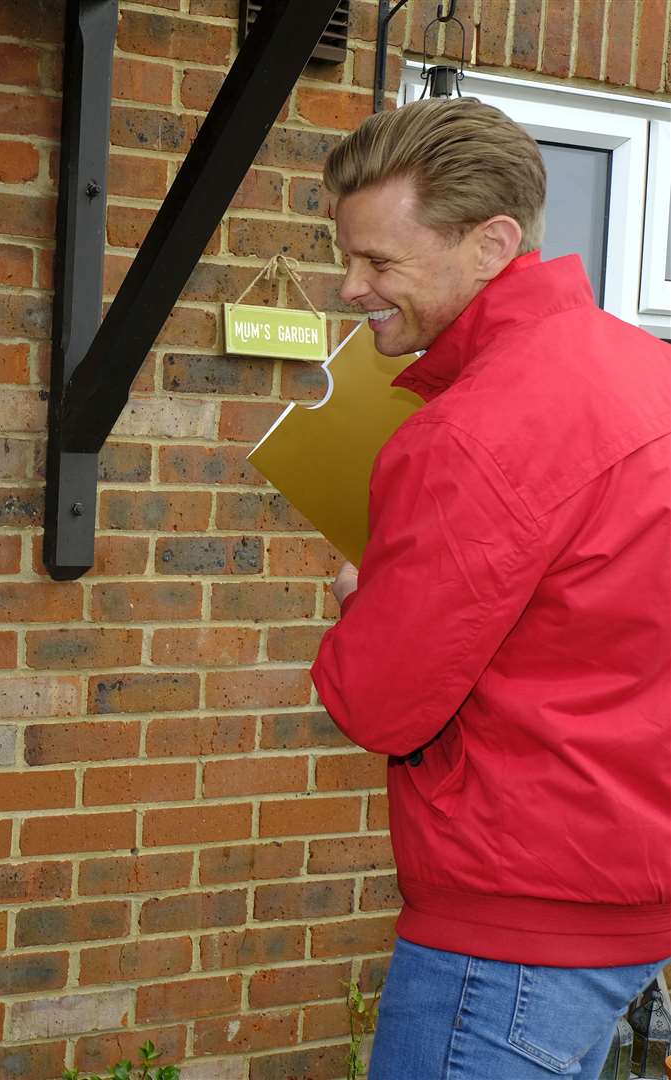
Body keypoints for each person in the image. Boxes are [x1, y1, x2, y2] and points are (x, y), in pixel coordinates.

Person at [310, 97, 671, 1078]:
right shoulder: (649, 373)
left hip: (508, 926)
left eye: (380, 261)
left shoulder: (474, 430)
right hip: (623, 894)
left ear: (491, 242)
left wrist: (362, 598)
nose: (351, 287)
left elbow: (380, 700)